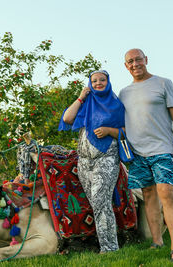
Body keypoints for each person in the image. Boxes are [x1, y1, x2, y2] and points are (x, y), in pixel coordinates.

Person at [118, 49, 173, 264]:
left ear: (146, 60)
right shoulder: (124, 93)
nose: (135, 64)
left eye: (138, 59)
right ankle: (157, 240)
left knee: (165, 192)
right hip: (137, 153)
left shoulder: (163, 83)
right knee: (148, 194)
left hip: (162, 149)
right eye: (130, 61)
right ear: (126, 66)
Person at [58, 70, 124, 253]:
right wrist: (81, 97)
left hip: (106, 158)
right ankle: (104, 242)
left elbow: (127, 131)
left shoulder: (116, 105)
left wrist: (110, 130)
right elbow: (67, 118)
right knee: (96, 203)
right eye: (94, 81)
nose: (98, 83)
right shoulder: (86, 103)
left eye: (102, 80)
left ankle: (109, 248)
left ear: (108, 82)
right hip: (84, 162)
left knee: (100, 200)